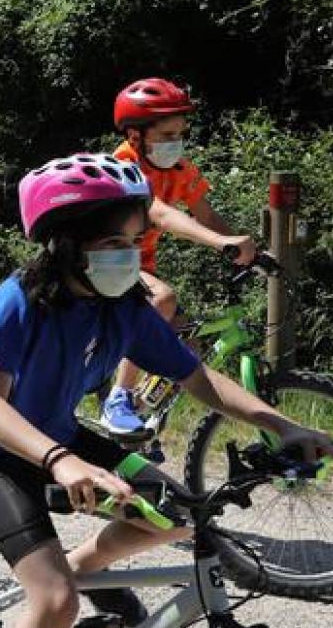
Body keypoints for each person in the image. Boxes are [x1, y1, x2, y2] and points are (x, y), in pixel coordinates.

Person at [0, 152, 333, 628]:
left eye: (136, 241)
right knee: (56, 603)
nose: (130, 255)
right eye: (114, 242)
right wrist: (60, 460)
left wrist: (282, 425)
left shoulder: (125, 307)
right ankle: (59, 590)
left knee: (179, 516)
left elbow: (198, 378)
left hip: (62, 440)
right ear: (67, 245)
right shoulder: (21, 299)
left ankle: (73, 569)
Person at [99, 78, 258, 435]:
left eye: (179, 135)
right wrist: (220, 243)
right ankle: (118, 399)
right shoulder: (122, 166)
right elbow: (161, 215)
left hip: (139, 268)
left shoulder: (180, 170)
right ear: (136, 135)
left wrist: (249, 249)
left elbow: (207, 215)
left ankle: (141, 418)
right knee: (163, 298)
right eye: (167, 135)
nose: (176, 143)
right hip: (106, 266)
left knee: (187, 344)